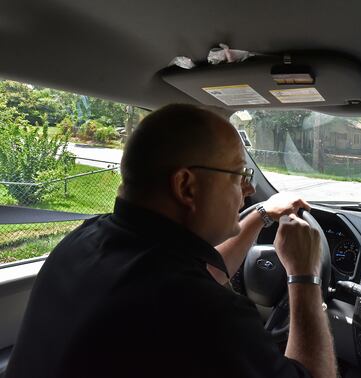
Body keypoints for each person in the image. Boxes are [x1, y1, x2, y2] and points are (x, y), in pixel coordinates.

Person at [7, 104, 337, 378]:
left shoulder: (85, 239)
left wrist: (260, 215)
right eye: (240, 175)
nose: (248, 190)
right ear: (186, 187)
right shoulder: (202, 312)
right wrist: (304, 275)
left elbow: (199, 273)